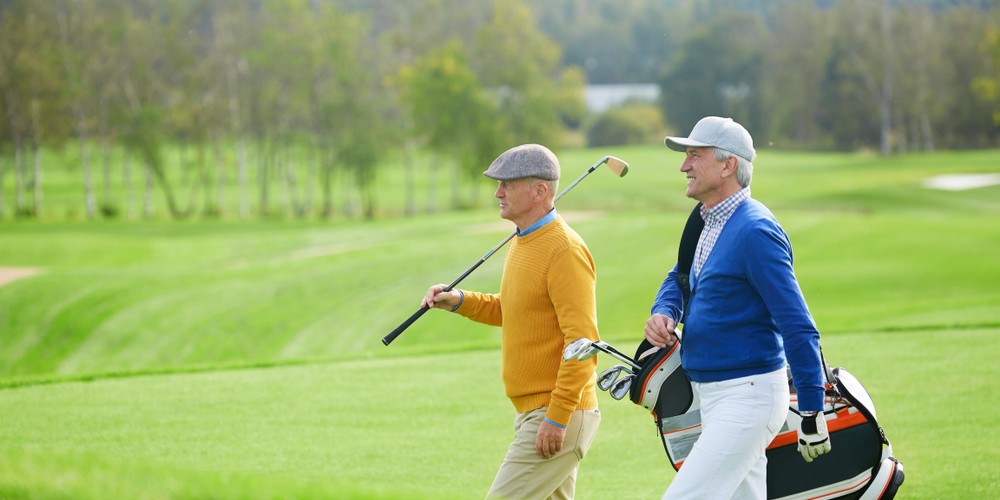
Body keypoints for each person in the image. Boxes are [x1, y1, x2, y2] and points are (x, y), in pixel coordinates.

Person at [644, 116, 832, 499]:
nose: (684, 166)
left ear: (728, 165)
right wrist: (666, 310)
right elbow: (679, 276)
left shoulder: (755, 231)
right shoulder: (703, 221)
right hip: (714, 395)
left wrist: (812, 409)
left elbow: (797, 323)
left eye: (695, 156)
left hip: (748, 397)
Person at [422, 144, 601, 499]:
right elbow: (516, 310)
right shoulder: (523, 241)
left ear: (540, 191)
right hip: (534, 411)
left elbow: (583, 343)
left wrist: (557, 416)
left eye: (508, 184)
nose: (497, 192)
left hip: (556, 412)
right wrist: (459, 301)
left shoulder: (564, 249)